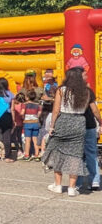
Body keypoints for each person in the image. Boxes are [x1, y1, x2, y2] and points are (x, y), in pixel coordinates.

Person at [42, 68, 92, 197]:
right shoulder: (86, 91)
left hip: (63, 120)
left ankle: (58, 185)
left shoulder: (62, 90)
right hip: (79, 121)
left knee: (57, 151)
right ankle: (72, 187)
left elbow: (56, 109)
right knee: (75, 155)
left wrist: (52, 126)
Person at [77, 84, 101, 192]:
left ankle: (78, 182)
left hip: (76, 126)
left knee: (78, 155)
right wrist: (100, 122)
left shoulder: (69, 91)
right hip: (89, 124)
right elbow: (95, 110)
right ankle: (95, 180)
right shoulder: (88, 91)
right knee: (92, 154)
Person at [21, 90, 42, 160]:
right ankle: (36, 154)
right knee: (35, 139)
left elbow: (22, 113)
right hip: (35, 123)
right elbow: (39, 114)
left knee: (28, 140)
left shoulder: (24, 105)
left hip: (27, 123)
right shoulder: (37, 105)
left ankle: (27, 155)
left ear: (27, 97)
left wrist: (22, 116)